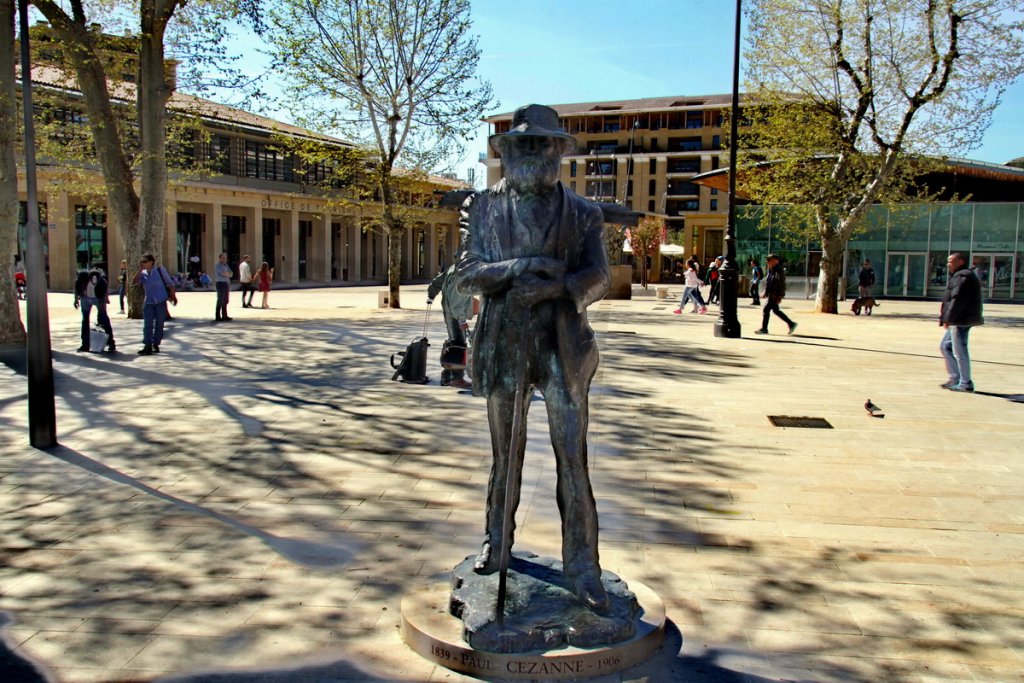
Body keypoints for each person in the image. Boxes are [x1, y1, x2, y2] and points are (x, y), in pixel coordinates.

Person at [455, 104, 610, 612]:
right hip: (504, 344)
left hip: (565, 346)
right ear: (505, 154)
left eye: (540, 145)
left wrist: (554, 287)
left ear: (558, 153)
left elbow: (598, 278)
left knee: (573, 458)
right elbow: (470, 271)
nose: (528, 154)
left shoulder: (585, 214)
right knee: (506, 456)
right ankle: (497, 546)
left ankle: (583, 566)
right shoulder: (481, 208)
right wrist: (523, 264)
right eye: (519, 145)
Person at [939, 252, 983, 392]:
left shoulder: (963, 276)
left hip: (961, 320)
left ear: (960, 261)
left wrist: (949, 319)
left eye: (951, 261)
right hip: (958, 319)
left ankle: (965, 383)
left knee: (960, 350)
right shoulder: (960, 275)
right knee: (945, 346)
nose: (948, 264)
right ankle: (955, 378)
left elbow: (957, 299)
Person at [427, 260, 473, 389]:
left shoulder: (454, 267)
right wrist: (462, 320)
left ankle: (447, 376)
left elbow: (437, 281)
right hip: (455, 316)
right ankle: (456, 378)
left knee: (454, 343)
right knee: (459, 346)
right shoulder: (462, 272)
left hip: (450, 313)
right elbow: (456, 301)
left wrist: (431, 295)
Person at [133, 253, 177, 355]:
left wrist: (173, 296)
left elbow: (171, 284)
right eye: (141, 262)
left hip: (160, 302)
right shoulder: (143, 274)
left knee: (159, 324)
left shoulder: (160, 271)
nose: (143, 263)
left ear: (151, 262)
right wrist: (139, 271)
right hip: (148, 302)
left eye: (145, 261)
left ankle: (156, 343)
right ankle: (147, 345)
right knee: (147, 325)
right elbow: (134, 282)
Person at [73, 267, 115, 353]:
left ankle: (111, 343)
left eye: (95, 279)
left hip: (98, 298)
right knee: (85, 320)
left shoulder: (102, 281)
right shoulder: (82, 277)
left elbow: (105, 292)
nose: (94, 281)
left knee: (103, 319)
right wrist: (76, 299)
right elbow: (77, 287)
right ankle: (85, 345)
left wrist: (104, 302)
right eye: (92, 279)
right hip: (85, 298)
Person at [755, 253, 797, 335]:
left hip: (774, 295)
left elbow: (781, 284)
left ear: (775, 261)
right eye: (767, 260)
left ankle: (764, 329)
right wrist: (765, 292)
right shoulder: (771, 270)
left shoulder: (779, 270)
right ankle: (791, 323)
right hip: (771, 294)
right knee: (776, 311)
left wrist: (780, 296)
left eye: (769, 260)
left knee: (766, 310)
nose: (767, 262)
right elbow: (769, 282)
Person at [213, 252, 233, 322]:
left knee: (225, 300)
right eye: (223, 258)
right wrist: (227, 274)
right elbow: (223, 274)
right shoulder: (218, 266)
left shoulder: (226, 266)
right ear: (220, 258)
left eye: (225, 258)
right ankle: (218, 316)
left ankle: (225, 315)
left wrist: (228, 274)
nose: (224, 259)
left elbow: (231, 273)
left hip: (226, 283)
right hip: (220, 284)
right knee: (220, 300)